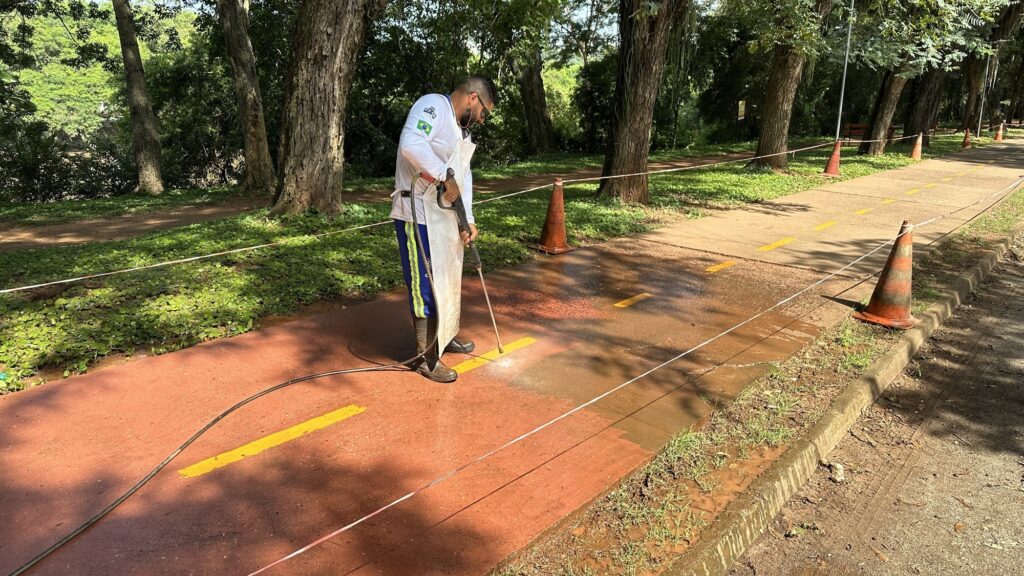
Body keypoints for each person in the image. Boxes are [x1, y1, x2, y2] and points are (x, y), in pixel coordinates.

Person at [390, 76, 497, 383]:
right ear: (473, 98)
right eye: (483, 113)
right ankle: (425, 359)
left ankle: (445, 334)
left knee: (447, 278)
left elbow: (464, 174)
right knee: (424, 282)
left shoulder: (461, 130)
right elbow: (411, 144)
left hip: (442, 215)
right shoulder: (433, 107)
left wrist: (469, 217)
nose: (482, 119)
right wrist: (440, 176)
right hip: (416, 213)